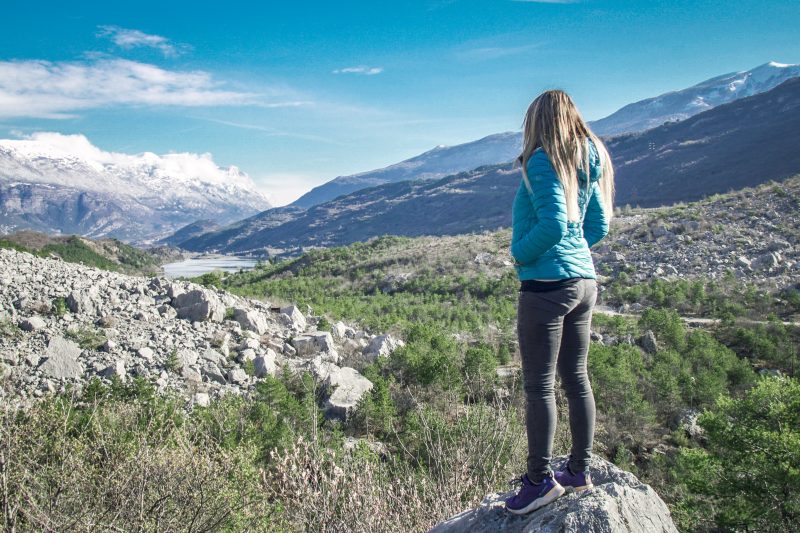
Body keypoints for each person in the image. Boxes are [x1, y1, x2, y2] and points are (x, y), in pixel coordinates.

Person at [504, 89, 615, 515]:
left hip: (547, 286)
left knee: (539, 385)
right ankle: (578, 471)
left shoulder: (543, 157)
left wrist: (522, 254)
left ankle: (538, 482)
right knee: (577, 378)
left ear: (537, 122)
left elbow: (552, 223)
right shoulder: (591, 156)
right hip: (584, 281)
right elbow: (598, 224)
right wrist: (572, 253)